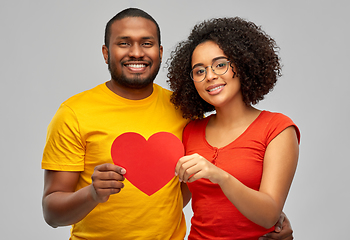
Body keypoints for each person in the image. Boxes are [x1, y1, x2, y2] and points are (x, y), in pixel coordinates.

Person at [41, 8, 294, 240]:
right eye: (124, 43)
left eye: (147, 43)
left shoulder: (182, 113)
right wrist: (92, 194)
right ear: (106, 53)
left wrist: (272, 219)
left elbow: (192, 190)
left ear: (160, 52)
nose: (137, 52)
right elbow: (52, 214)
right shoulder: (73, 113)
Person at [168, 17, 300, 240]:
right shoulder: (190, 131)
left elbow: (269, 215)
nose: (210, 76)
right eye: (199, 71)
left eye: (220, 65)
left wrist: (219, 175)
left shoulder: (277, 129)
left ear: (242, 64)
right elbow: (174, 202)